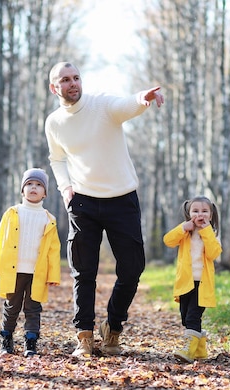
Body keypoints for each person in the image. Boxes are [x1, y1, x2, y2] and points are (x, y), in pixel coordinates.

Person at [44, 61, 164, 358]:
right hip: (83, 202)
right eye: (65, 80)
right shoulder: (55, 122)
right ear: (54, 87)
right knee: (83, 272)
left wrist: (142, 98)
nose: (72, 84)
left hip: (122, 199)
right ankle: (84, 336)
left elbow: (126, 106)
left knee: (132, 269)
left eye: (76, 78)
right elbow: (57, 159)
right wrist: (64, 188)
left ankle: (112, 327)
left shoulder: (102, 106)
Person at [0, 168, 61, 357]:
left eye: (38, 185)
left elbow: (53, 250)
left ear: (45, 192)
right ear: (22, 190)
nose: (33, 188)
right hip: (14, 269)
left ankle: (31, 342)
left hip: (37, 272)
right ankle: (6, 339)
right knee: (11, 306)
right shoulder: (12, 213)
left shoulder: (48, 219)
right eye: (29, 184)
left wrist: (53, 275)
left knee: (33, 308)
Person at [163, 196, 222, 362]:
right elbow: (168, 241)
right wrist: (183, 227)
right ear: (189, 214)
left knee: (192, 318)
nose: (199, 214)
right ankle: (200, 350)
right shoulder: (185, 233)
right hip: (185, 282)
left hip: (202, 284)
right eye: (195, 211)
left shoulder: (212, 233)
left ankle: (189, 350)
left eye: (204, 211)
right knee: (185, 317)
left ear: (210, 215)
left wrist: (206, 231)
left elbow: (213, 253)